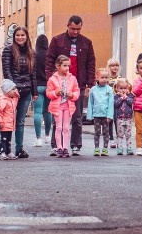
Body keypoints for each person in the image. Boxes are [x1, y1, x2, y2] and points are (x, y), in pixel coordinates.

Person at [45, 15, 95, 155]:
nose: (75, 32)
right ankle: (56, 145)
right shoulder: (57, 40)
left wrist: (89, 84)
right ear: (67, 25)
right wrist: (51, 79)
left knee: (76, 116)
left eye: (78, 29)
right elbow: (49, 60)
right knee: (57, 115)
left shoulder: (86, 43)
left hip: (77, 83)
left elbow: (91, 63)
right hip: (58, 84)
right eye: (73, 29)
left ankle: (75, 144)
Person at [1, 26, 36, 159]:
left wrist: (35, 91)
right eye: (17, 35)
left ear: (26, 37)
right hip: (12, 92)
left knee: (20, 121)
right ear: (14, 37)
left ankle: (19, 149)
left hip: (26, 91)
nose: (20, 37)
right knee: (9, 120)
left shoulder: (31, 53)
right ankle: (6, 149)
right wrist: (11, 88)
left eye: (22, 35)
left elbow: (33, 73)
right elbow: (6, 71)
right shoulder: (8, 50)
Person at [46, 55, 80, 158]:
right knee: (58, 127)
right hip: (57, 106)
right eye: (64, 66)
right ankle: (59, 147)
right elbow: (48, 93)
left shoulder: (72, 78)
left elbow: (76, 91)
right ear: (58, 66)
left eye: (68, 66)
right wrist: (56, 93)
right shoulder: (52, 79)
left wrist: (72, 95)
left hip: (68, 106)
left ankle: (65, 148)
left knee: (66, 127)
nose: (67, 68)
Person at [87, 68, 114, 156]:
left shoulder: (109, 89)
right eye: (102, 77)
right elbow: (90, 103)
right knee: (97, 132)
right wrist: (90, 115)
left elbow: (111, 103)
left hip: (106, 115)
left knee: (106, 133)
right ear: (97, 77)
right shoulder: (93, 90)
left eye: (106, 77)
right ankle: (96, 148)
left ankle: (105, 149)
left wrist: (110, 115)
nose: (104, 79)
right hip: (96, 115)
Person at [32, 34, 51, 147]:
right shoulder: (49, 55)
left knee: (37, 112)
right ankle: (48, 136)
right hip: (49, 86)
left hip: (37, 87)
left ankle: (38, 138)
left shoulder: (34, 55)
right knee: (48, 112)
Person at [0, 79, 20, 160]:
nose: (15, 91)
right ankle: (2, 152)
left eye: (15, 89)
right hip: (4, 123)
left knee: (9, 139)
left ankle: (8, 151)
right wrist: (0, 121)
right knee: (4, 138)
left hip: (10, 123)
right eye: (13, 89)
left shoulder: (12, 99)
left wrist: (16, 95)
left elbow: (16, 100)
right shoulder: (3, 100)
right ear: (7, 91)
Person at [113, 79, 134, 156]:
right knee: (120, 135)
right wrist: (121, 98)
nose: (123, 90)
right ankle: (119, 148)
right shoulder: (116, 96)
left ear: (128, 88)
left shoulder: (130, 95)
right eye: (121, 88)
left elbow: (131, 102)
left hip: (128, 118)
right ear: (117, 88)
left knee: (128, 134)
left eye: (125, 88)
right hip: (119, 118)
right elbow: (116, 104)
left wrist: (126, 97)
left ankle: (129, 148)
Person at [106, 58, 123, 147]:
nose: (115, 67)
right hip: (109, 103)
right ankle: (111, 139)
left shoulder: (120, 79)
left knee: (118, 121)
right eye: (113, 65)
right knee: (110, 121)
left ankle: (118, 138)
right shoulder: (106, 79)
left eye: (116, 65)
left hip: (118, 103)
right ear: (109, 67)